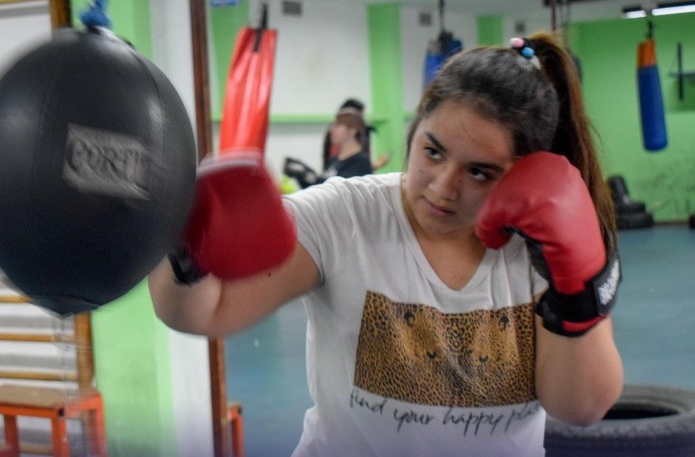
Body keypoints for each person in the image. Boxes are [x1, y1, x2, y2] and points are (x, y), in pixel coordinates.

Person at [150, 31, 623, 457]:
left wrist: (577, 288)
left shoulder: (540, 245)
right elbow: (203, 313)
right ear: (414, 131)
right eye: (432, 151)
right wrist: (189, 249)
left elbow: (579, 407)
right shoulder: (346, 216)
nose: (442, 187)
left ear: (524, 175)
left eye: (480, 172)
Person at [283, 106, 373, 188]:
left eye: (337, 126)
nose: (332, 130)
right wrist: (302, 177)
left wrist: (310, 177)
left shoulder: (361, 162)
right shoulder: (335, 160)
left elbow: (340, 192)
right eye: (332, 126)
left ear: (352, 130)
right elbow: (319, 191)